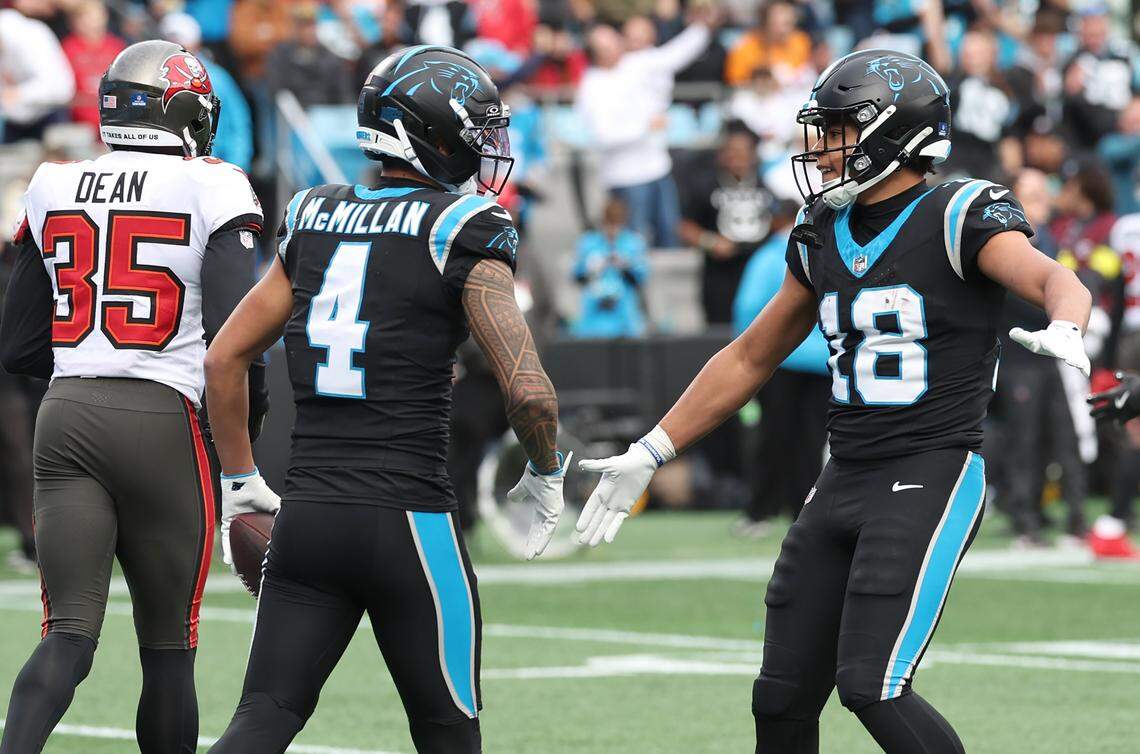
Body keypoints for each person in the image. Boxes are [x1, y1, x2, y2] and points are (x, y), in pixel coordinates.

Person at [575, 50, 1092, 754]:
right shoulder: (821, 228)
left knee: (873, 685)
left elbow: (1055, 279)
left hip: (930, 470)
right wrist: (652, 449)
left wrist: (1067, 324)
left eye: (838, 129)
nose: (819, 147)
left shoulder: (958, 212)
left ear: (893, 134)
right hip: (843, 474)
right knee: (780, 699)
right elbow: (751, 356)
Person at [204, 45, 568, 753]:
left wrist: (241, 481)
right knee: (448, 732)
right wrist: (546, 468)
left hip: (307, 515)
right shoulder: (464, 223)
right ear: (433, 133)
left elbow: (224, 359)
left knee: (263, 718)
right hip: (408, 516)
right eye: (475, 129)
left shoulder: (312, 210)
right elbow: (529, 393)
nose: (486, 145)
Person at [0, 40, 266, 753]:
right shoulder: (215, 185)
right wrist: (247, 443)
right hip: (164, 418)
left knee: (67, 635)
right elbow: (237, 338)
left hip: (66, 412)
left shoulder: (53, 182)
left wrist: (93, 357)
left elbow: (18, 344)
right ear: (177, 112)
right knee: (169, 649)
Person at [731, 205, 830, 535]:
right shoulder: (828, 244)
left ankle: (760, 512)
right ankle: (803, 511)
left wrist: (749, 358)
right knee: (812, 440)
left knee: (774, 436)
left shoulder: (772, 254)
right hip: (823, 363)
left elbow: (747, 306)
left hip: (781, 361)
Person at [574, 15, 711, 246]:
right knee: (634, 242)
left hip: (658, 168)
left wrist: (702, 26)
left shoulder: (634, 64)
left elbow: (673, 56)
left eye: (616, 40)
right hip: (625, 178)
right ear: (597, 54)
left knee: (670, 236)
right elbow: (603, 136)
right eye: (608, 45)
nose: (618, 46)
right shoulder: (591, 87)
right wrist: (645, 127)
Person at [678, 120, 778, 325]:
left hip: (757, 269)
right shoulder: (706, 185)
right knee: (721, 330)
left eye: (742, 152)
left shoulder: (767, 184)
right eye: (732, 152)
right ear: (721, 154)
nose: (737, 158)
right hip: (720, 274)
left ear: (753, 154)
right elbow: (684, 226)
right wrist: (710, 241)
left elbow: (780, 220)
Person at [571, 196, 649, 338]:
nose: (613, 230)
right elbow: (577, 277)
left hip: (625, 317)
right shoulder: (588, 243)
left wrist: (625, 266)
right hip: (593, 315)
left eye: (617, 224)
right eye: (609, 224)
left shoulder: (633, 243)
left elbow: (641, 279)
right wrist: (592, 267)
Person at [0, 7, 75, 144]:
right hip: (15, 121)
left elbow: (56, 87)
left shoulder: (31, 37)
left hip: (49, 115)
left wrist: (19, 93)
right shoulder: (5, 46)